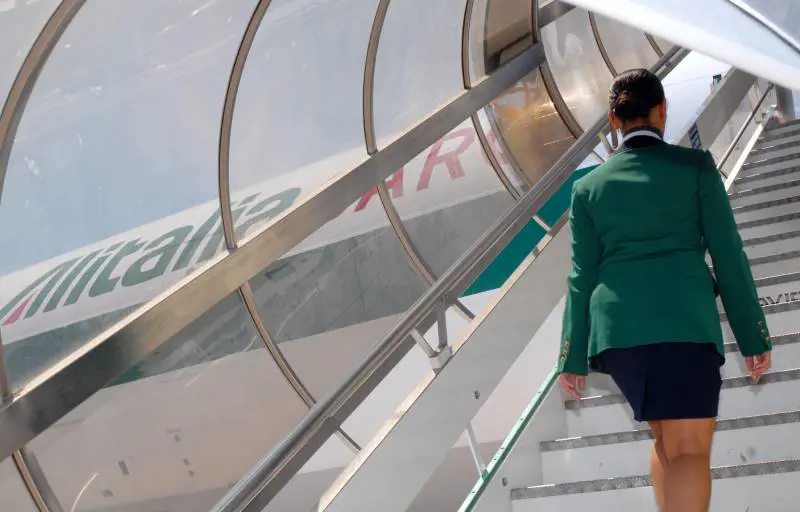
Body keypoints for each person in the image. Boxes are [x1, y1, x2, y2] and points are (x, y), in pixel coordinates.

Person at [557, 69, 773, 512]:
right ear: (661, 110)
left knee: (666, 441)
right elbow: (728, 256)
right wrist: (753, 335)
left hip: (621, 339)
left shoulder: (587, 189)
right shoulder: (695, 168)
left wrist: (571, 357)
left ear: (614, 120)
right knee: (690, 449)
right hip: (683, 326)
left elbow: (581, 277)